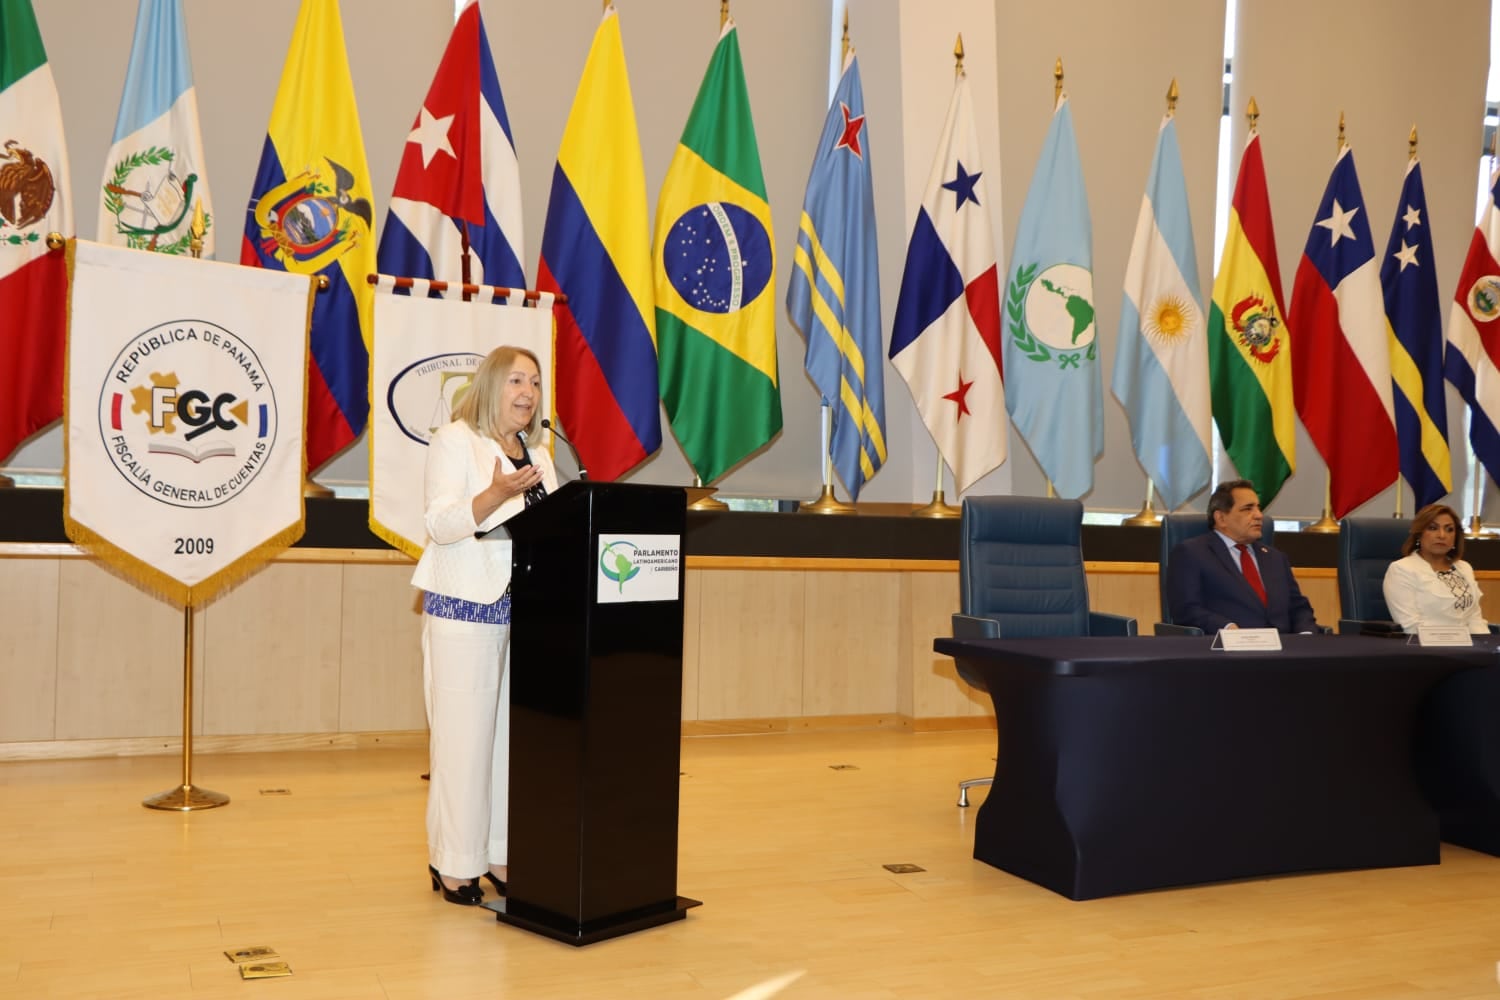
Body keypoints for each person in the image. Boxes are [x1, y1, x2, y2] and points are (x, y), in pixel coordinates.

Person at [410, 345, 558, 906]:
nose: (528, 392)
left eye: (536, 383)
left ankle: (498, 851)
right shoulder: (454, 440)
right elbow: (441, 523)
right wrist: (495, 493)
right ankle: (452, 863)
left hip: (529, 611)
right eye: (517, 380)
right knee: (464, 742)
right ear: (492, 384)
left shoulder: (540, 453)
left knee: (509, 743)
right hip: (465, 605)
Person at [1165, 478, 1320, 634]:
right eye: (1247, 509)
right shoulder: (1192, 553)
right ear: (1221, 518)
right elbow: (1186, 609)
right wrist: (1226, 627)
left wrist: (1305, 633)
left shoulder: (1276, 558)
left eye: (1258, 508)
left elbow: (1298, 607)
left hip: (1284, 650)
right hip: (1226, 650)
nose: (1259, 515)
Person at [1382, 503, 1489, 635]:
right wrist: (1458, 641)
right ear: (1419, 534)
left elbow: (1474, 619)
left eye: (1449, 529)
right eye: (1433, 528)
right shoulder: (1401, 569)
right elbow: (1410, 626)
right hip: (1425, 649)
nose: (1442, 535)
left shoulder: (1464, 568)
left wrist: (1487, 648)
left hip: (1469, 649)